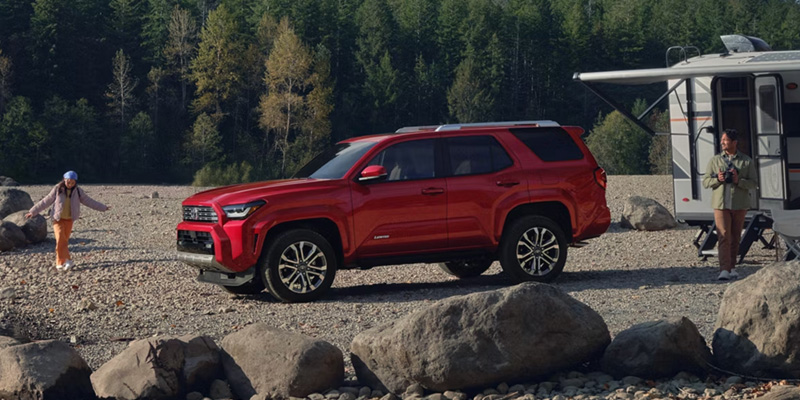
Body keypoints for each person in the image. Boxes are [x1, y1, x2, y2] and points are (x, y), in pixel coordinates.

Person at [25, 171, 111, 271]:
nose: (70, 184)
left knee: (63, 242)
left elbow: (89, 201)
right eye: (68, 182)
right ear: (64, 180)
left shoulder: (78, 191)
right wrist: (33, 211)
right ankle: (68, 260)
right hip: (58, 219)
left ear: (75, 182)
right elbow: (46, 200)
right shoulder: (57, 189)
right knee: (61, 238)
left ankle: (59, 263)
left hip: (69, 219)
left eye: (72, 182)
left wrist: (103, 207)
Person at [702, 129, 757, 280]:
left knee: (735, 236)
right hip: (720, 204)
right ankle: (724, 269)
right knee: (724, 235)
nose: (722, 143)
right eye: (722, 140)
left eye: (725, 140)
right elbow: (705, 181)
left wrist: (738, 180)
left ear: (734, 143)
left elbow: (754, 183)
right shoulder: (715, 160)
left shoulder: (746, 161)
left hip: (739, 204)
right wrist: (718, 179)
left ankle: (732, 267)